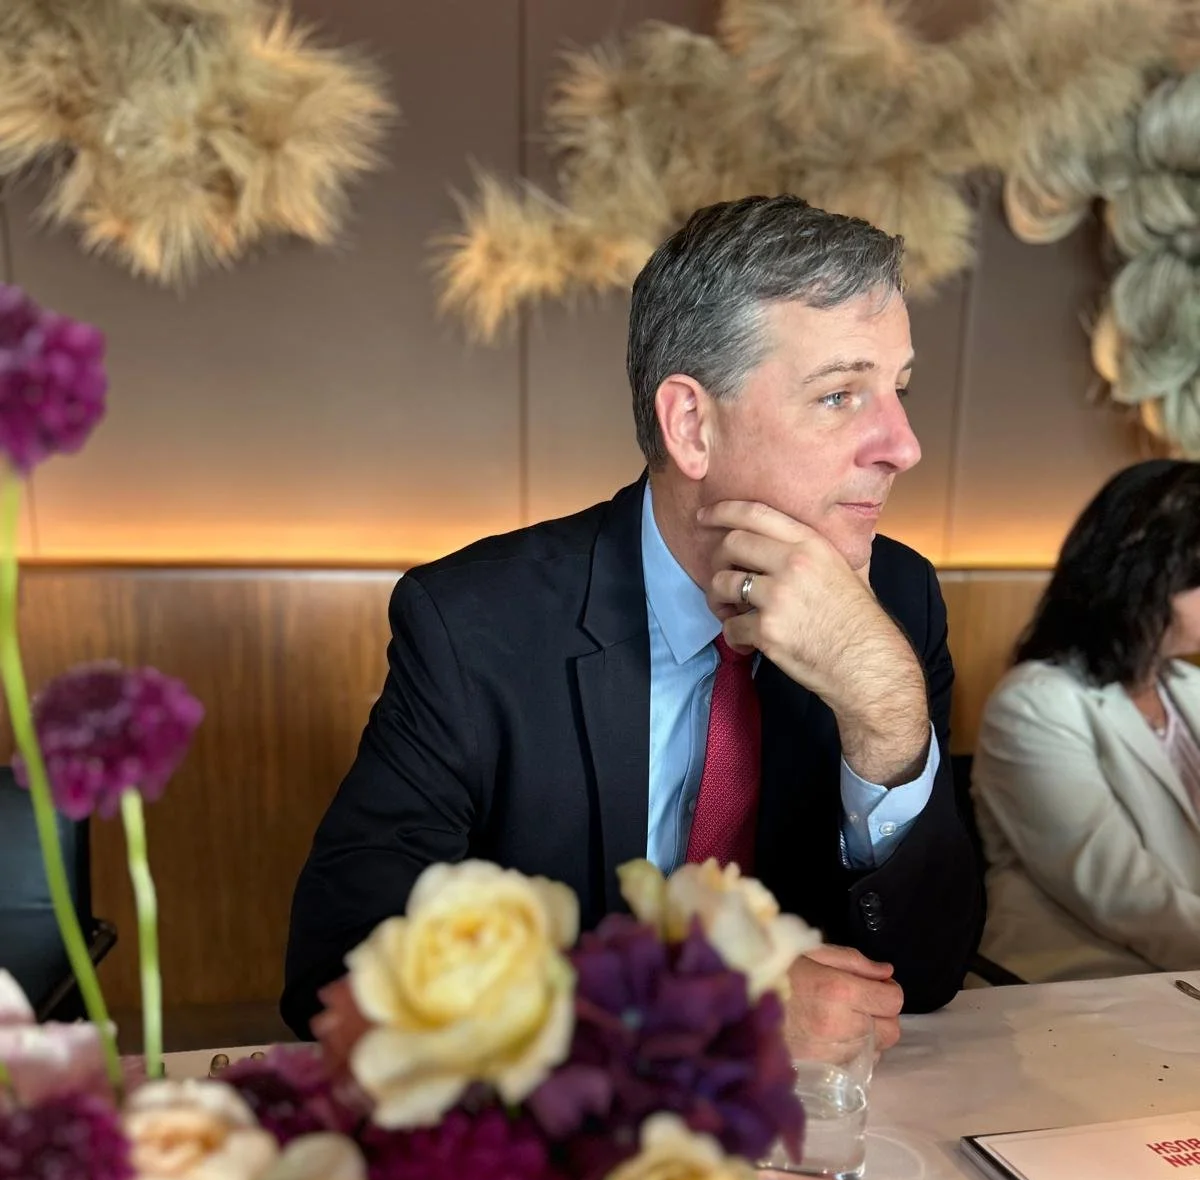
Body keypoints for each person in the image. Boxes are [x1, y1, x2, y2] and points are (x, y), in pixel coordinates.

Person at [282, 196, 983, 1044]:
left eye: (898, 390)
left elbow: (930, 974)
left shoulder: (897, 599)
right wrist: (702, 1008)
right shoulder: (475, 625)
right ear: (692, 425)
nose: (902, 445)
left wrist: (886, 712)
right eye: (840, 396)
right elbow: (342, 969)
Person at [973, 460, 1200, 982]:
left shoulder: (1187, 691)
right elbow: (1121, 891)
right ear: (1144, 577)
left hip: (1174, 981)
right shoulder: (1034, 703)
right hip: (1075, 988)